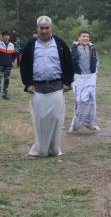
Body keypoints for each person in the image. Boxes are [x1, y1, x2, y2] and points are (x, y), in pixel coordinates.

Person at [20, 15, 74, 157]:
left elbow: (69, 63)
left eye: (46, 28)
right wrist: (28, 84)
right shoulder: (31, 44)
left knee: (56, 119)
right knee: (40, 120)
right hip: (37, 88)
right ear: (37, 28)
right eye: (41, 28)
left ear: (51, 28)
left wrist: (68, 82)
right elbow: (24, 65)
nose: (44, 31)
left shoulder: (60, 44)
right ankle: (41, 149)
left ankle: (54, 149)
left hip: (56, 86)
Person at [69, 30, 100, 132]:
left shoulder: (92, 48)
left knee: (91, 101)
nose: (86, 38)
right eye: (83, 36)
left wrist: (96, 71)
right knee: (80, 100)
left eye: (87, 36)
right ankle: (76, 125)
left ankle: (91, 123)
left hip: (90, 77)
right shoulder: (74, 48)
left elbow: (97, 60)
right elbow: (70, 62)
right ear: (79, 38)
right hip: (78, 77)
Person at [0, 31, 16, 100]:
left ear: (9, 37)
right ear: (2, 36)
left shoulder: (12, 45)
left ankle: (5, 94)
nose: (6, 37)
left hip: (8, 65)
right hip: (0, 65)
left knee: (6, 80)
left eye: (8, 35)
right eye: (5, 35)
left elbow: (15, 53)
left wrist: (12, 60)